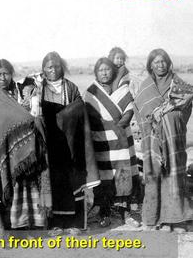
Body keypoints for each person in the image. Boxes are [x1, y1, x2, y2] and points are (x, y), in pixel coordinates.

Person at [24, 52, 100, 232]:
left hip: (70, 142)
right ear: (43, 69)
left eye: (57, 66)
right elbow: (31, 112)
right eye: (49, 67)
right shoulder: (37, 88)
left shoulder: (71, 88)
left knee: (73, 181)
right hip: (48, 142)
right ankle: (55, 224)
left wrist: (63, 117)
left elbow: (79, 111)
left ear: (62, 67)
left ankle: (74, 224)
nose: (53, 70)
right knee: (52, 182)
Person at [0, 59, 50, 230]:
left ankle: (27, 221)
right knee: (5, 184)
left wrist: (33, 121)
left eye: (6, 74)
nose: (3, 78)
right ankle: (6, 222)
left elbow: (21, 118)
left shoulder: (17, 94)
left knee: (24, 184)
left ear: (11, 75)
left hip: (18, 150)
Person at [134, 49, 193, 232]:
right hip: (152, 140)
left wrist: (169, 117)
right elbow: (140, 112)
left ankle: (176, 220)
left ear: (168, 63)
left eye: (163, 61)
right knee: (154, 175)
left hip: (173, 137)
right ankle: (154, 219)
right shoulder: (145, 87)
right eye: (156, 62)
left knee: (174, 175)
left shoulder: (178, 84)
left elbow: (186, 106)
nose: (160, 65)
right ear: (150, 65)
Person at [84, 58, 140, 228]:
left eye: (107, 69)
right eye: (100, 70)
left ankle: (125, 213)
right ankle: (105, 212)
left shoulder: (122, 89)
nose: (104, 73)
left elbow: (129, 110)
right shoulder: (91, 92)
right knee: (104, 179)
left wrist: (118, 127)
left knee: (124, 174)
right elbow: (90, 116)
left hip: (122, 140)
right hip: (102, 141)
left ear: (113, 71)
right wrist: (109, 127)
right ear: (96, 73)